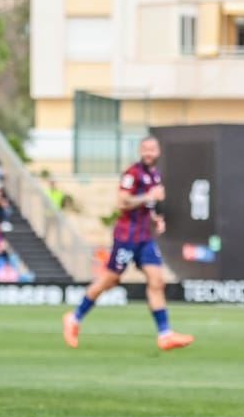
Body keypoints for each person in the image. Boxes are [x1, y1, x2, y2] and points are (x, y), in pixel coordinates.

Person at [62, 136, 192, 351]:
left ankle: (165, 334)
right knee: (110, 280)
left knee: (157, 281)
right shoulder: (132, 174)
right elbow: (123, 201)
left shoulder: (154, 175)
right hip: (126, 237)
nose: (149, 153)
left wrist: (155, 219)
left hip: (144, 238)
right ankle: (73, 318)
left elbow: (146, 206)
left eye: (152, 149)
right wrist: (148, 195)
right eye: (145, 149)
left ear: (158, 152)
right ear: (140, 151)